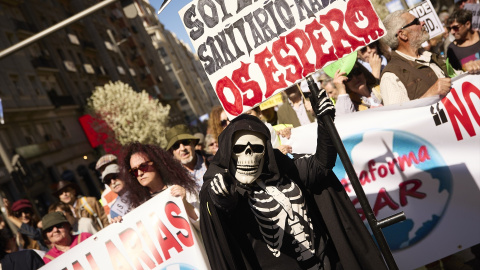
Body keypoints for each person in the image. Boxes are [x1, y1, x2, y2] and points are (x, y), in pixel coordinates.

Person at [200, 88, 387, 269]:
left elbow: (321, 166)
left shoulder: (286, 168)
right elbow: (221, 211)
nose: (248, 154)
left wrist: (324, 122)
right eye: (239, 149)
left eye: (256, 148)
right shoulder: (227, 186)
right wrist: (220, 198)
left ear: (266, 151)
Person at [380, 10, 454, 106]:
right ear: (403, 35)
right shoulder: (391, 77)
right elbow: (398, 118)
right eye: (416, 22)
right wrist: (430, 95)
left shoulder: (431, 56)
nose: (423, 23)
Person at [119, 142, 199, 227]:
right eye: (134, 171)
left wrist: (185, 203)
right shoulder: (138, 206)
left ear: (156, 164)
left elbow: (203, 225)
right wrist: (119, 225)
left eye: (143, 166)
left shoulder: (182, 189)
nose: (139, 173)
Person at [166, 124, 210, 192]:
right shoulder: (173, 179)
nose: (182, 148)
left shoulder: (212, 161)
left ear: (193, 142)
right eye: (176, 146)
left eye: (185, 142)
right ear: (172, 152)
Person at [96, 154, 119, 221]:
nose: (107, 170)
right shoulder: (105, 195)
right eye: (103, 169)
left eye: (109, 166)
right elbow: (110, 218)